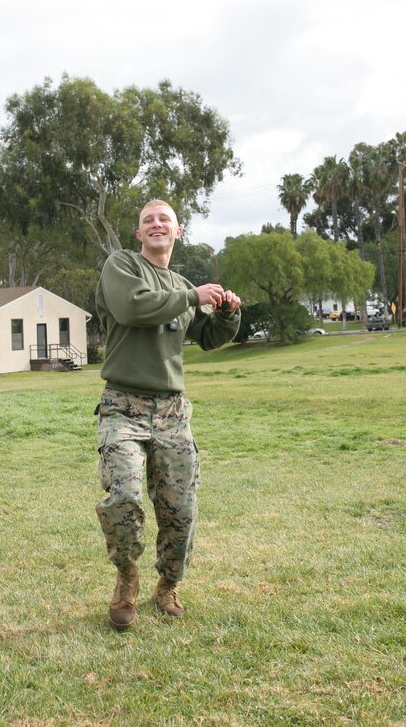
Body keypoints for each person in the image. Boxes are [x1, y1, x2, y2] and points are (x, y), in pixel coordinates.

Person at [95, 199, 241, 628]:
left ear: (178, 232)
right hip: (123, 406)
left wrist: (228, 315)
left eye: (165, 220)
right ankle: (126, 577)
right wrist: (192, 295)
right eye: (148, 221)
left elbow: (208, 337)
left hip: (173, 412)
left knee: (181, 509)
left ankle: (168, 585)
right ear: (139, 234)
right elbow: (133, 308)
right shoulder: (121, 266)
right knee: (123, 496)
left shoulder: (180, 285)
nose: (156, 225)